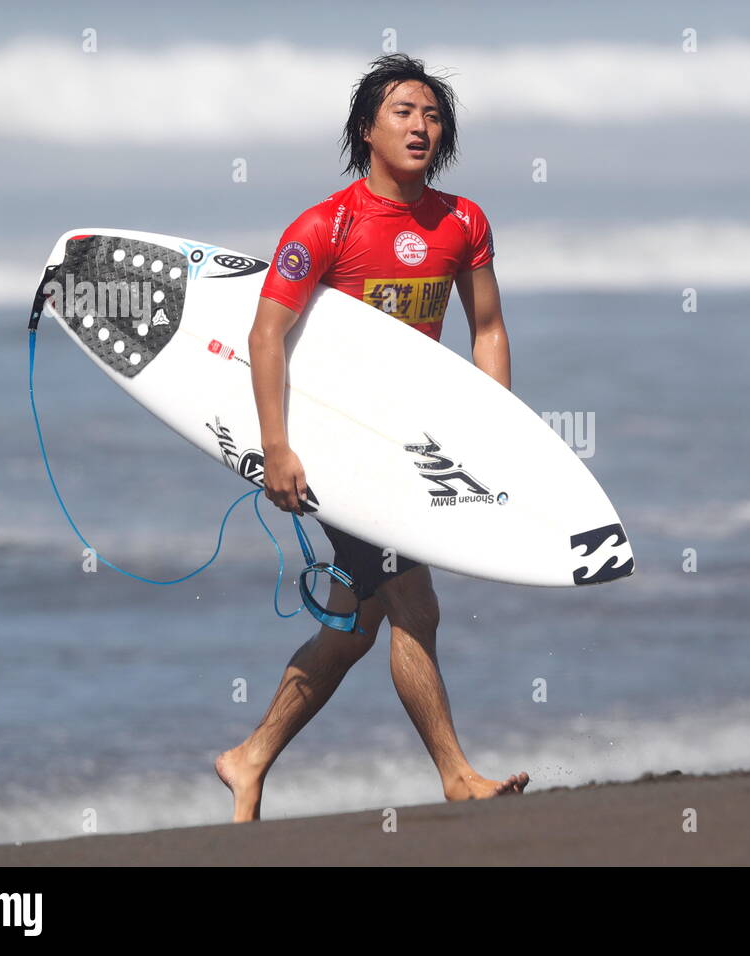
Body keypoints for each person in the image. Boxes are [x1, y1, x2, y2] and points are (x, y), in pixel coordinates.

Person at [215, 53, 528, 822]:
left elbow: (487, 329)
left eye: (432, 115)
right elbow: (265, 336)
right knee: (414, 603)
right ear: (366, 130)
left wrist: (490, 431)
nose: (422, 126)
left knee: (357, 623)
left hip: (409, 446)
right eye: (403, 112)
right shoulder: (328, 226)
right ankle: (455, 773)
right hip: (335, 449)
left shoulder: (462, 222)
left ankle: (247, 758)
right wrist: (277, 448)